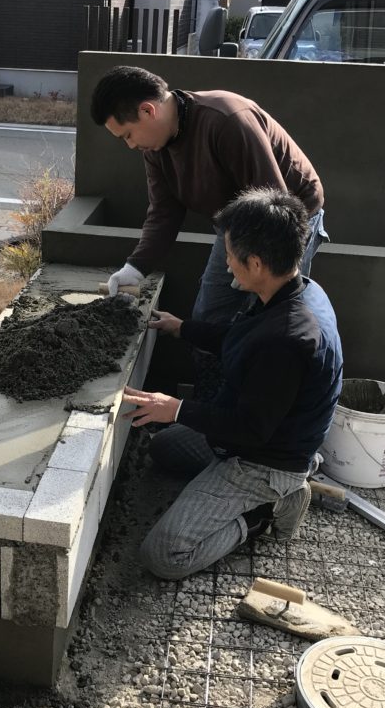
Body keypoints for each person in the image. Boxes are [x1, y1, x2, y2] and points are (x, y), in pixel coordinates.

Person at [121, 188, 342, 580]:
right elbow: (239, 336)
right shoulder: (294, 290)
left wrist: (176, 408)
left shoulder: (288, 339)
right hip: (256, 432)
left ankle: (265, 511)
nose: (225, 262)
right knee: (163, 448)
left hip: (265, 461)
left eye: (229, 254)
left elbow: (250, 428)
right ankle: (252, 490)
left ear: (255, 263)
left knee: (163, 556)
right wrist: (183, 327)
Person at [90, 65, 328, 323]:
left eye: (128, 135)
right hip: (235, 224)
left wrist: (253, 264)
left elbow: (276, 205)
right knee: (210, 316)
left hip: (287, 222)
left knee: (273, 317)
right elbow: (164, 212)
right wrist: (135, 268)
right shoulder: (155, 148)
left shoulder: (227, 120)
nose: (131, 145)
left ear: (148, 110)